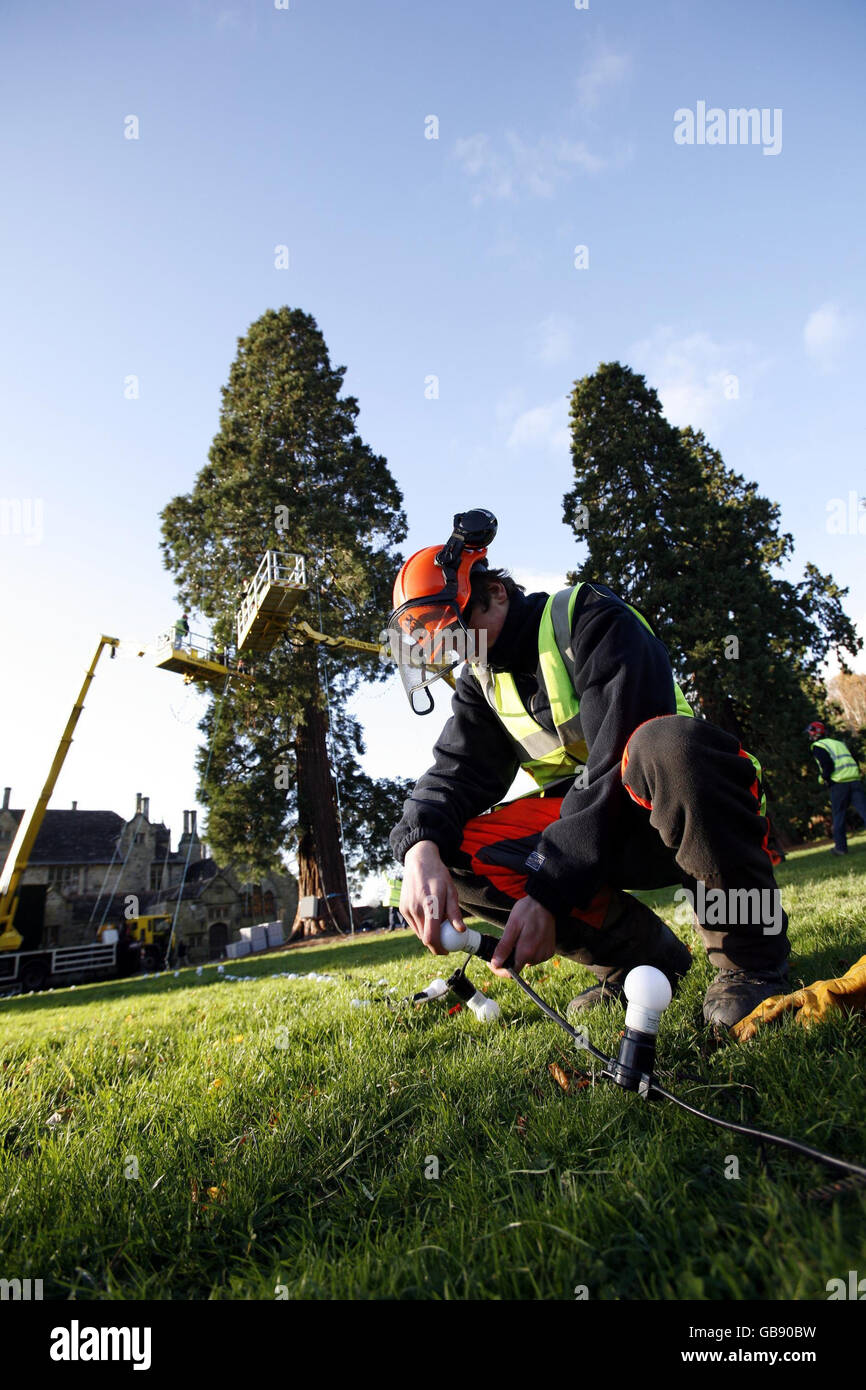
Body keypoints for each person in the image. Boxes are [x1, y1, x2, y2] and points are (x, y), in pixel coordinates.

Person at [388, 509, 792, 1031]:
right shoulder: (481, 684)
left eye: (456, 631)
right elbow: (453, 775)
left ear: (498, 593)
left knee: (665, 744)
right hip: (596, 841)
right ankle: (640, 960)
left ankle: (750, 961)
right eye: (442, 643)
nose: (457, 652)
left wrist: (547, 889)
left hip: (691, 811)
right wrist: (420, 848)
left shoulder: (589, 617)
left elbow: (621, 749)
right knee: (454, 853)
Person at [804, 721, 866, 856]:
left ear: (815, 733)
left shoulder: (818, 746)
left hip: (839, 784)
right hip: (854, 780)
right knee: (864, 811)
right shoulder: (838, 743)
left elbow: (827, 766)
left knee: (839, 816)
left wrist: (823, 778)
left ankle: (841, 848)